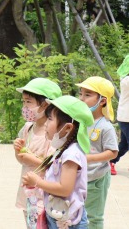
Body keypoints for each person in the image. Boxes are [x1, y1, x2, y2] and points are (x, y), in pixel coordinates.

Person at [22, 96, 94, 228]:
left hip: (69, 222)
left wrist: (37, 182)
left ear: (67, 128)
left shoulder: (72, 154)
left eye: (50, 119)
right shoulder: (62, 149)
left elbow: (65, 189)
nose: (46, 123)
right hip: (58, 215)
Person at [13, 78, 62, 228]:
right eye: (23, 102)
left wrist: (30, 158)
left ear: (45, 104)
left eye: (28, 102)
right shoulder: (28, 128)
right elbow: (22, 160)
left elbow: (54, 164)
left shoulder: (53, 131)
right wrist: (18, 151)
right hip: (28, 191)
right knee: (31, 223)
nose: (24, 107)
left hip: (45, 191)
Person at [76, 77, 118, 229]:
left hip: (96, 179)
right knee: (77, 214)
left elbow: (112, 152)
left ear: (102, 101)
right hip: (79, 176)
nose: (82, 98)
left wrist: (88, 158)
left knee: (93, 217)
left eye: (87, 95)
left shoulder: (105, 127)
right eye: (81, 94)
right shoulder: (80, 121)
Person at [110, 55, 129, 175]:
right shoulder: (126, 80)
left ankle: (111, 160)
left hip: (125, 117)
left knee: (124, 144)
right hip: (126, 117)